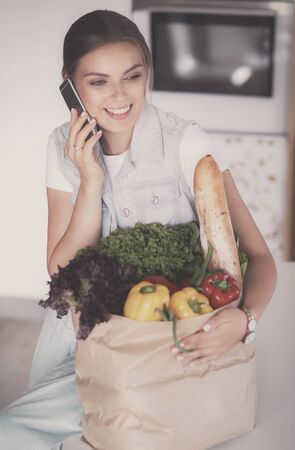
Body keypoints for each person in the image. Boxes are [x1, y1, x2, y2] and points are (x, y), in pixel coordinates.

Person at [0, 9, 277, 450]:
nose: (120, 96)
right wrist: (90, 181)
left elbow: (259, 257)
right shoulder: (59, 146)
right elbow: (62, 272)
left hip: (159, 347)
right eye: (98, 82)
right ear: (69, 84)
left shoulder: (185, 142)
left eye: (132, 76)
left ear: (147, 72)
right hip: (80, 340)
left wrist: (245, 321)